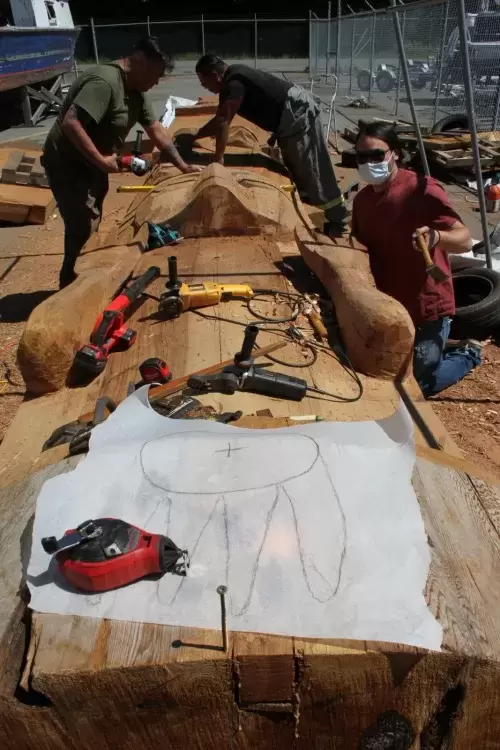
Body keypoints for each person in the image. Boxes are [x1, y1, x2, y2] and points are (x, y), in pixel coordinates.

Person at [43, 37, 202, 289]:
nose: (157, 82)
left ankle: (78, 279)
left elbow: (157, 130)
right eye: (156, 75)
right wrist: (103, 162)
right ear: (141, 62)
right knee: (82, 224)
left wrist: (183, 166)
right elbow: (71, 123)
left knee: (91, 219)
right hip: (68, 164)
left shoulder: (136, 93)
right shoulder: (104, 82)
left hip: (93, 163)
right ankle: (71, 286)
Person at [351, 121, 481, 398]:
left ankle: (467, 354)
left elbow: (464, 239)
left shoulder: (421, 190)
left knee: (413, 387)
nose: (368, 162)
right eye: (362, 156)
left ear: (395, 153)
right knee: (379, 372)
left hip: (425, 308)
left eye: (376, 155)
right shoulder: (362, 200)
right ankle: (441, 347)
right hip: (387, 306)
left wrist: (436, 236)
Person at [186, 54, 347, 234]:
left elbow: (224, 120)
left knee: (312, 169)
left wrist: (218, 159)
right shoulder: (234, 77)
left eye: (204, 83)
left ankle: (337, 219)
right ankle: (308, 209)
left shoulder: (234, 82)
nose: (204, 87)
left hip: (297, 114)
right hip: (291, 116)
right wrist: (195, 136)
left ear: (215, 75)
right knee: (300, 168)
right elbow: (220, 120)